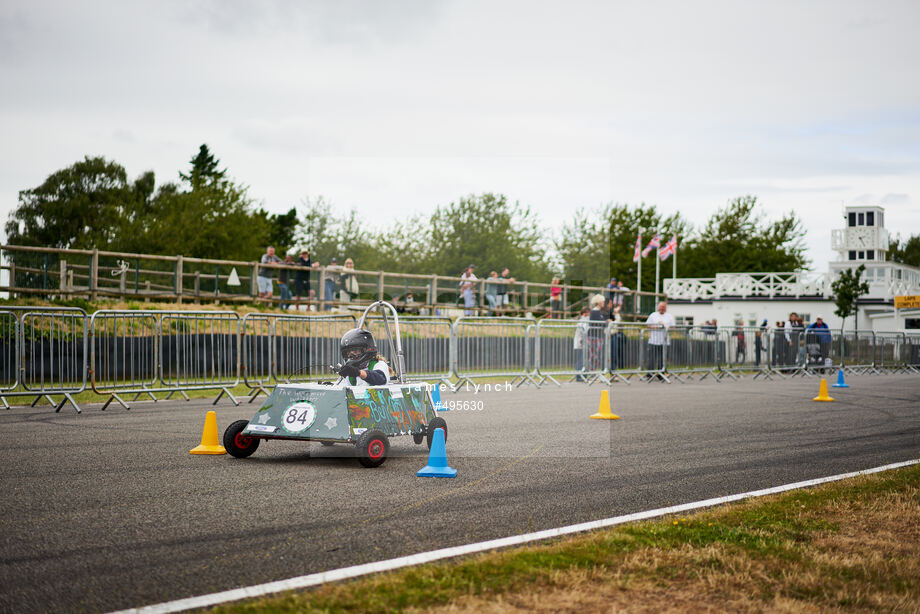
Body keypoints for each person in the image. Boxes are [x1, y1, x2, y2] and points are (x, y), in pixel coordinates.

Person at [645, 301, 675, 374]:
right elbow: (647, 325)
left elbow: (673, 327)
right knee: (651, 358)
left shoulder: (669, 316)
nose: (662, 308)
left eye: (663, 307)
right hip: (653, 341)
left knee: (662, 359)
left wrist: (665, 327)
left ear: (666, 308)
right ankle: (650, 373)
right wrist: (656, 327)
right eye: (661, 307)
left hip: (664, 341)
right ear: (658, 307)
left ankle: (661, 373)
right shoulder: (653, 315)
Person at [587, 294, 607, 371]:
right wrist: (606, 322)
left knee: (597, 355)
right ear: (599, 302)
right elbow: (598, 323)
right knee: (593, 355)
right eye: (603, 302)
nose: (604, 303)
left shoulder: (599, 312)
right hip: (594, 336)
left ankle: (594, 370)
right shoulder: (595, 312)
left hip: (598, 336)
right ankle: (592, 371)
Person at [573, 306, 590, 381]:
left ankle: (582, 376)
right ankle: (580, 377)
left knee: (583, 360)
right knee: (581, 361)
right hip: (580, 344)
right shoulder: (583, 320)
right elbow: (584, 331)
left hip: (581, 343)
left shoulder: (583, 320)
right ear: (586, 313)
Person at [609, 303, 625, 371]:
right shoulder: (606, 313)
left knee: (614, 355)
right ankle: (610, 371)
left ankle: (613, 371)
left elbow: (617, 322)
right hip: (608, 335)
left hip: (614, 335)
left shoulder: (613, 314)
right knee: (610, 355)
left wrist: (616, 313)